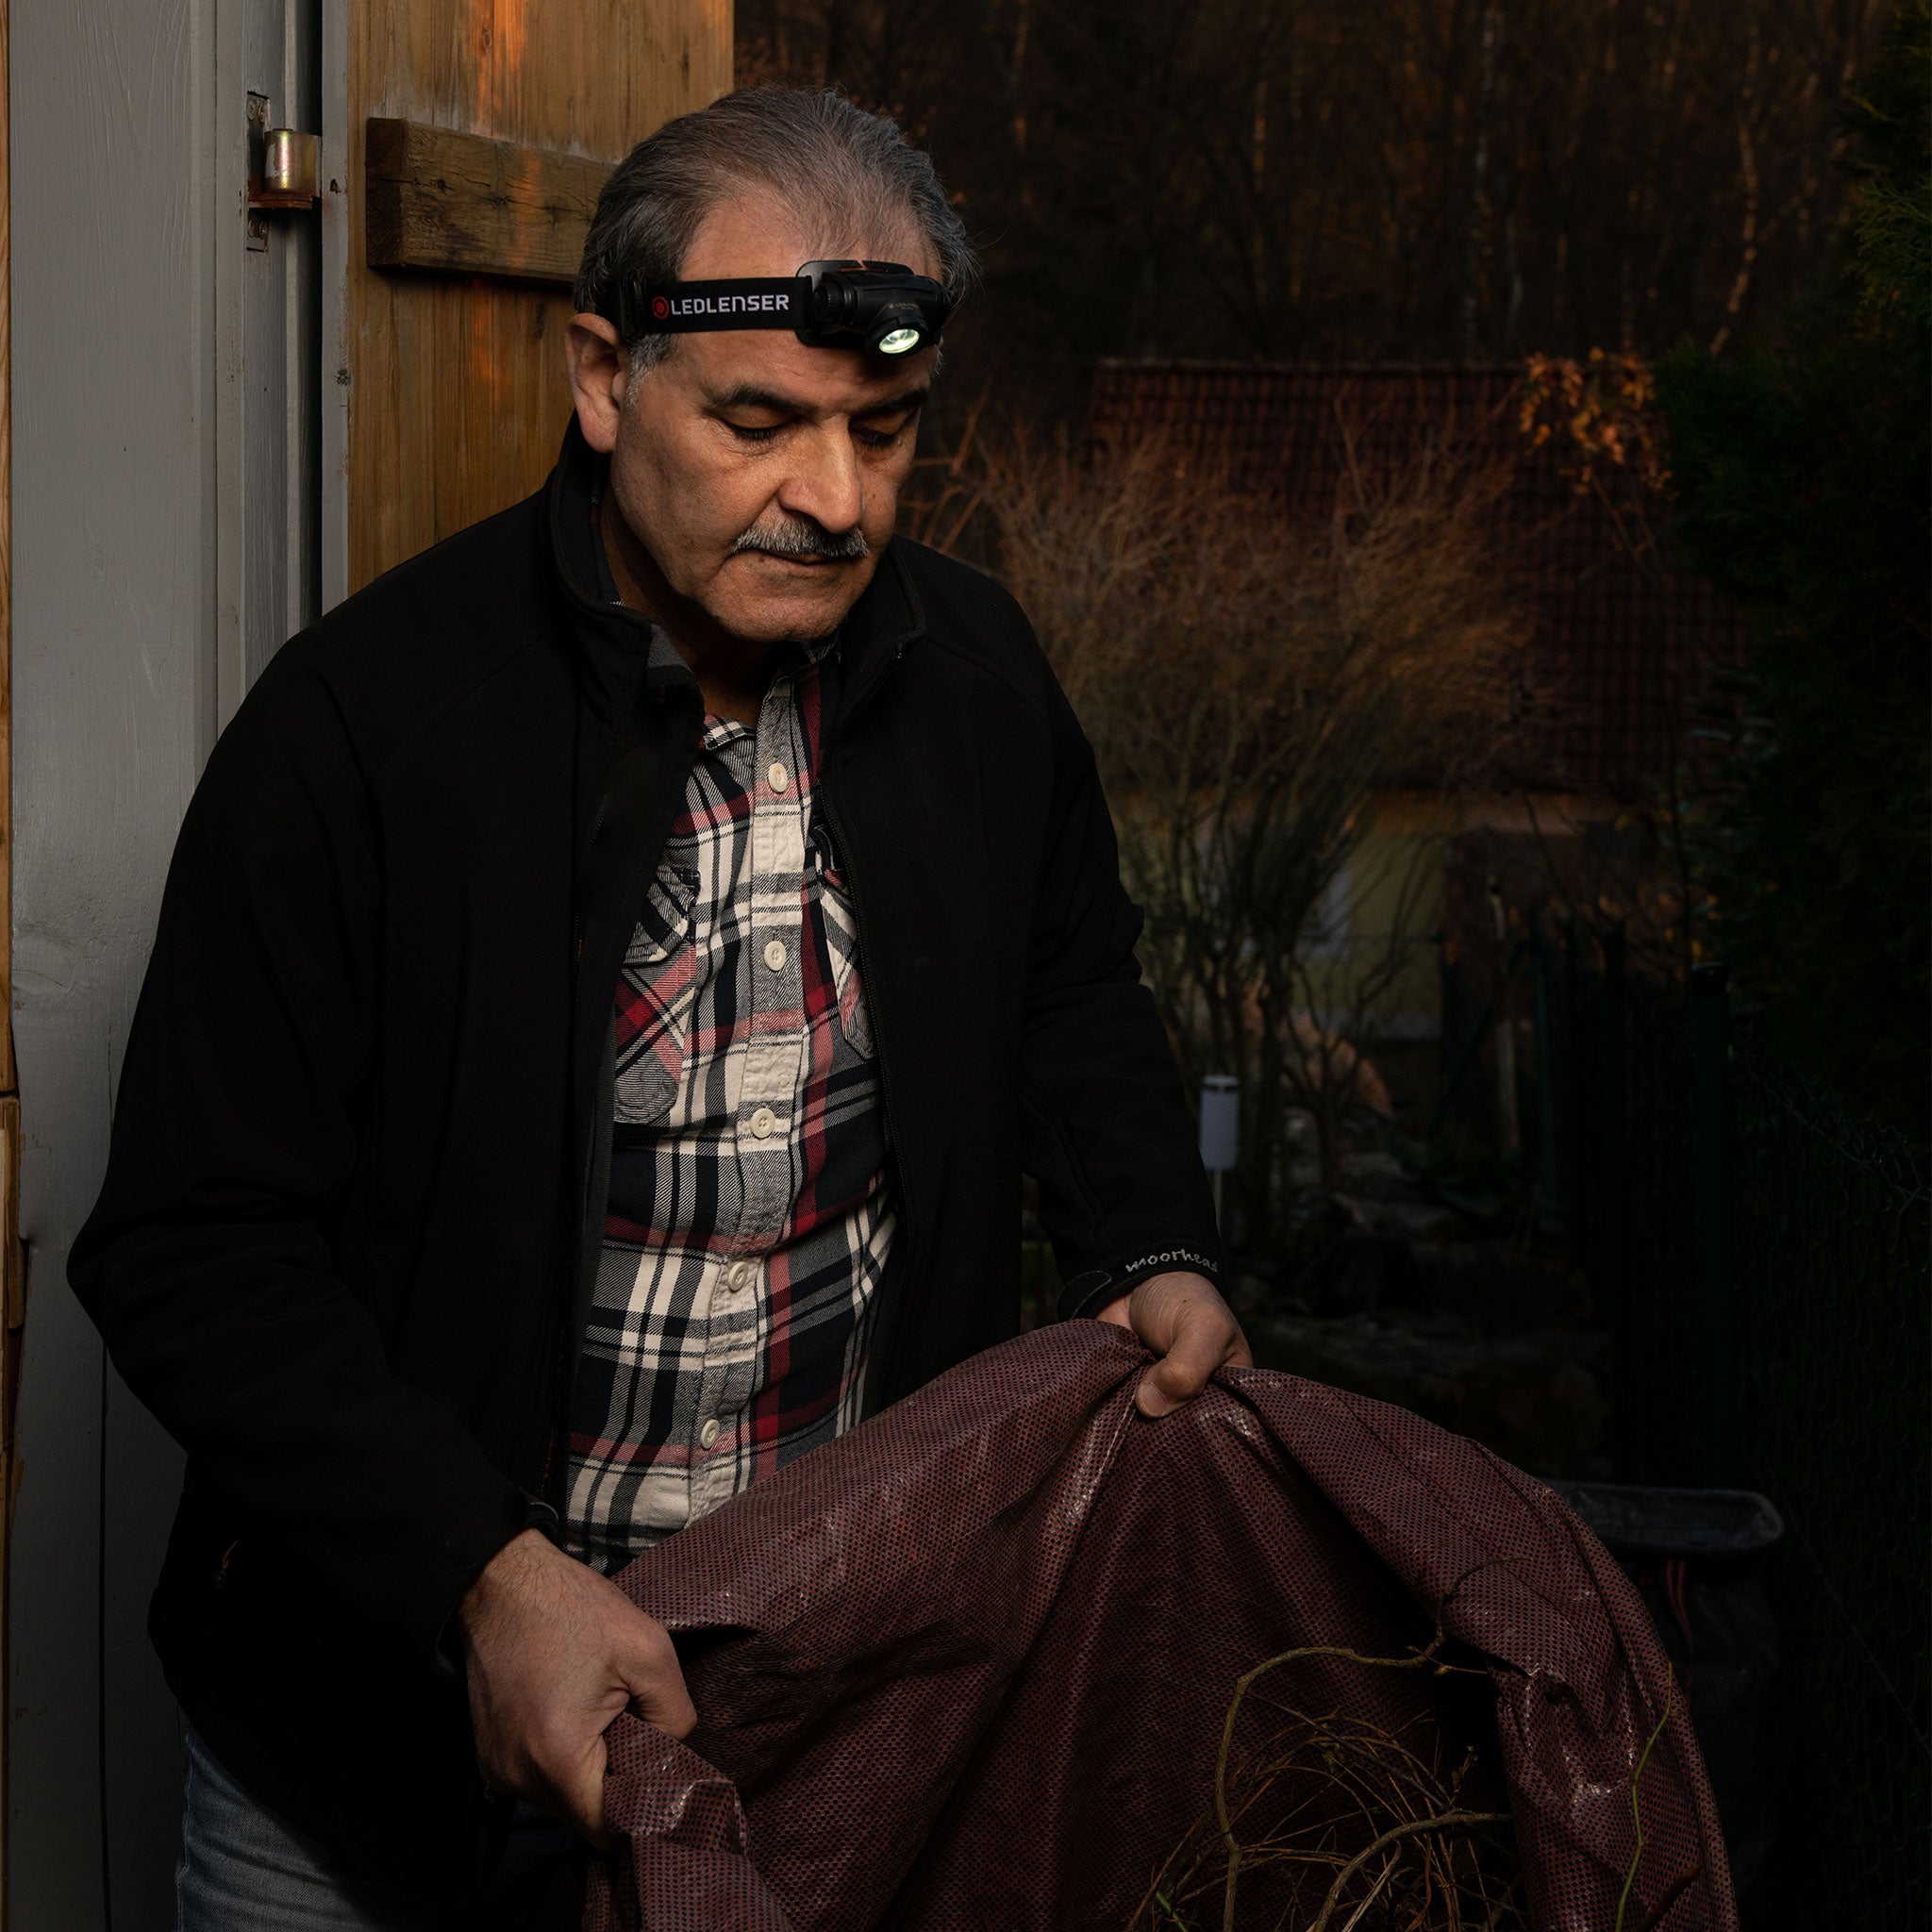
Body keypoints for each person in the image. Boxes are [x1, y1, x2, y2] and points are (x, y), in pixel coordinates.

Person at [71, 87, 1246, 1929]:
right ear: (604, 379)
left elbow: (1068, 992)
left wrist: (1145, 1237)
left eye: (887, 429)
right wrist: (487, 1575)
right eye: (761, 421)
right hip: (370, 1770)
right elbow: (189, 1248)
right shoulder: (368, 730)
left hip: (823, 1729)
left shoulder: (982, 681)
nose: (837, 497)